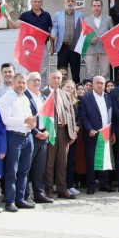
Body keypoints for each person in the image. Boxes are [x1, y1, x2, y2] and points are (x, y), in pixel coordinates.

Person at [0, 73, 35, 211]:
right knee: (12, 171)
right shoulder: (6, 99)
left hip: (27, 136)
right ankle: (10, 201)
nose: (21, 85)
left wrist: (31, 123)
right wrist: (25, 121)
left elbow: (29, 117)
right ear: (13, 82)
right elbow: (6, 119)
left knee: (24, 171)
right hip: (14, 137)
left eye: (24, 83)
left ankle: (20, 199)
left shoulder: (25, 98)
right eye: (19, 82)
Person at [43, 70, 78, 198]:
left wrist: (72, 133)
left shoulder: (66, 95)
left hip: (64, 131)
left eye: (59, 78)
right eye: (54, 78)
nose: (57, 80)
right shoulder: (43, 94)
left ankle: (62, 188)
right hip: (51, 130)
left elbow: (71, 114)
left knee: (63, 162)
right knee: (49, 162)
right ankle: (48, 189)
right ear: (49, 80)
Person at [79, 75, 114, 194]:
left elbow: (111, 116)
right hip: (92, 134)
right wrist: (89, 129)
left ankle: (104, 184)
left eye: (102, 83)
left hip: (105, 133)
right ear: (93, 84)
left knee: (105, 158)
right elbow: (83, 116)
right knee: (91, 160)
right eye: (97, 83)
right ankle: (91, 185)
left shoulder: (108, 97)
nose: (100, 85)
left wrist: (112, 132)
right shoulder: (85, 98)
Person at [23, 72, 53, 204]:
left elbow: (47, 115)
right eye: (34, 80)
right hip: (31, 135)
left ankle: (39, 193)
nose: (37, 83)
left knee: (40, 168)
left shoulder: (43, 97)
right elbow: (25, 118)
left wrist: (47, 131)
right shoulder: (24, 97)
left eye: (39, 80)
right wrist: (35, 132)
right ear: (28, 82)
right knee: (27, 167)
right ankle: (25, 195)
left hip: (43, 136)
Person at [53, 0, 84, 83]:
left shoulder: (80, 15)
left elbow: (83, 30)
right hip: (62, 47)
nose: (70, 3)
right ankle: (60, 90)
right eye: (68, 1)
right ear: (65, 2)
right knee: (61, 72)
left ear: (75, 3)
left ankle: (76, 92)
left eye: (72, 1)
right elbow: (55, 27)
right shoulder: (57, 15)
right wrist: (53, 33)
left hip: (75, 47)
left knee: (75, 72)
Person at [84, 0, 114, 81]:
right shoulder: (86, 19)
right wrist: (89, 39)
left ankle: (106, 91)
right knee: (90, 74)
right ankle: (90, 92)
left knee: (105, 73)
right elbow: (83, 34)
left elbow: (112, 32)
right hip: (90, 49)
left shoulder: (108, 19)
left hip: (104, 49)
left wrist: (107, 40)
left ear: (102, 7)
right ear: (91, 7)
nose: (96, 7)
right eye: (94, 6)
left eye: (98, 6)